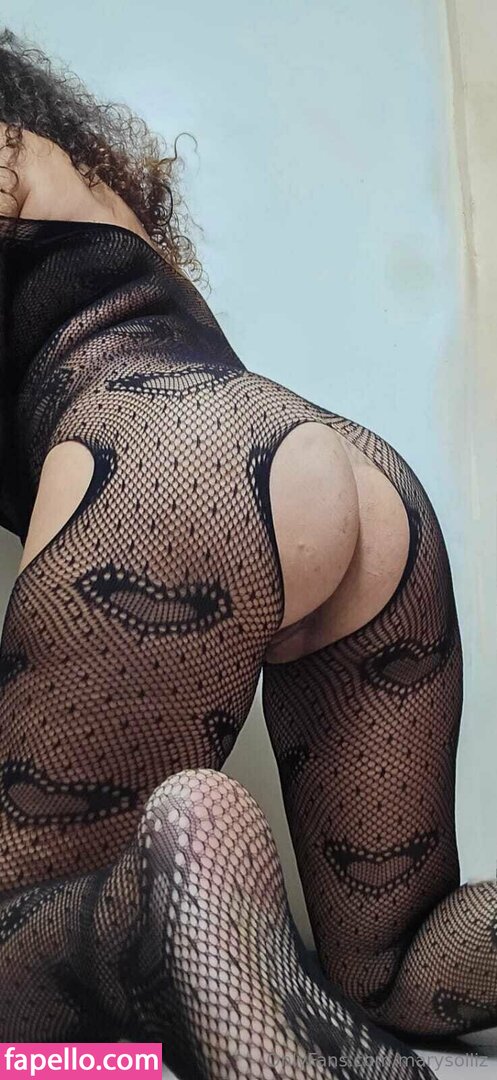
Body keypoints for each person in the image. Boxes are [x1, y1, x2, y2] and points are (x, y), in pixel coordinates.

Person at [0, 26, 494, 1079]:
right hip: (340, 472)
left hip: (169, 467)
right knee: (395, 965)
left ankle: (164, 901)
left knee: (15, 959)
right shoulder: (64, 171)